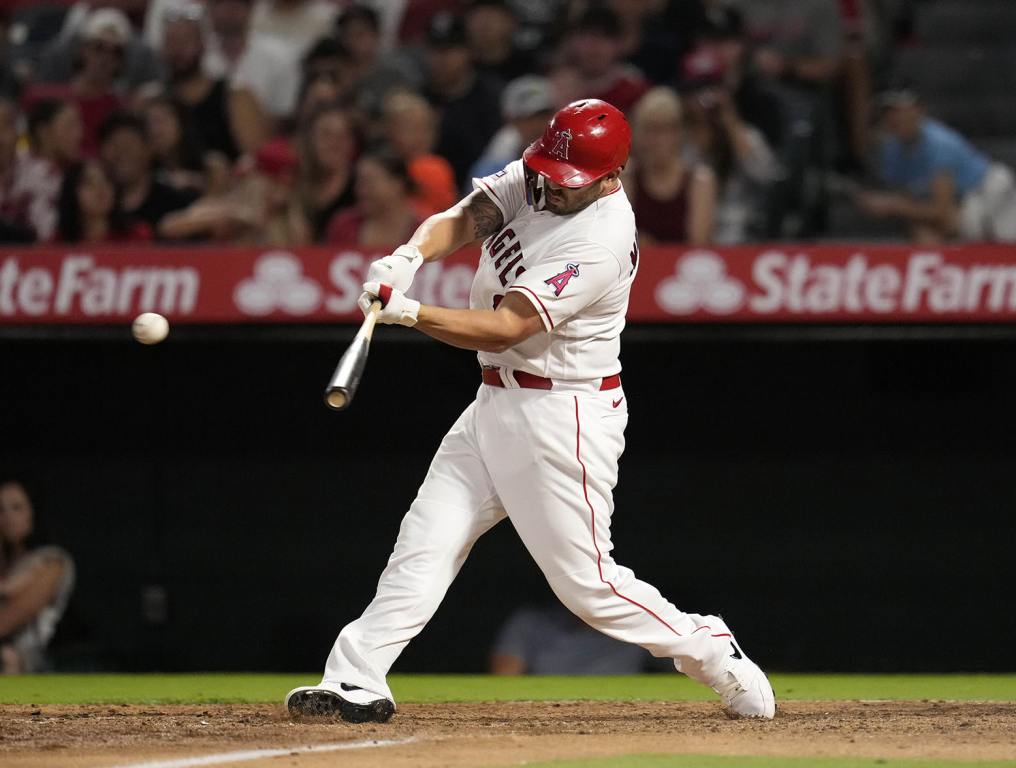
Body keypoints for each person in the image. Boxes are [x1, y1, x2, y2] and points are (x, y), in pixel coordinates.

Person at [285, 99, 775, 723]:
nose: (552, 187)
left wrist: (410, 312)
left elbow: (505, 327)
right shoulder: (543, 170)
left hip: (561, 414)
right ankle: (357, 678)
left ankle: (708, 648)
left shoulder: (600, 236)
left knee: (588, 586)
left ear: (610, 176)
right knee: (425, 541)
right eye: (550, 170)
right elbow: (468, 218)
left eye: (571, 180)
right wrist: (408, 256)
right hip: (494, 401)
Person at [858, 83, 1016, 244]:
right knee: (924, 233)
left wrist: (893, 205)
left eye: (901, 110)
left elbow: (941, 211)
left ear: (919, 110)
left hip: (989, 191)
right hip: (956, 200)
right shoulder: (892, 151)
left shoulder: (938, 144)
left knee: (988, 235)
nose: (896, 117)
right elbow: (909, 198)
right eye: (889, 112)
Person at [679, 48, 780, 244]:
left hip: (739, 233)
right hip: (686, 232)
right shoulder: (676, 138)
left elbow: (766, 176)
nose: (705, 99)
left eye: (711, 89)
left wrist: (730, 122)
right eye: (696, 90)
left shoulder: (745, 135)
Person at [162, 5, 269, 161]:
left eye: (185, 41)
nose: (178, 50)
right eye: (171, 42)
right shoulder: (152, 99)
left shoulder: (235, 96)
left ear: (203, 44)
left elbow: (259, 158)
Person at [22, 7, 127, 158]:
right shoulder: (41, 98)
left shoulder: (119, 109)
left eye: (116, 52)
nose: (106, 58)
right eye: (99, 48)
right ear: (83, 50)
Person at [623, 86, 716, 244]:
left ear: (679, 133)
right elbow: (619, 240)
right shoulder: (627, 178)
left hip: (685, 266)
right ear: (639, 134)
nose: (660, 140)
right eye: (652, 130)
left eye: (667, 130)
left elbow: (700, 243)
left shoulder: (699, 180)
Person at [0, 481, 75, 674]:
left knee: (7, 656)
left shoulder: (51, 560)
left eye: (17, 507)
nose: (7, 517)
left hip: (30, 663)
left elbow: (8, 620)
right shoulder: (9, 563)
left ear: (33, 512)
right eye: (1, 509)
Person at [423, 12, 503, 187]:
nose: (440, 60)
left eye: (449, 50)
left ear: (468, 52)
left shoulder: (489, 98)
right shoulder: (420, 97)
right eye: (435, 51)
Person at [98, 110, 198, 235]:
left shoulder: (176, 203)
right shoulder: (95, 205)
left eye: (129, 144)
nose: (121, 153)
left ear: (149, 149)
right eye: (114, 144)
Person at [492, 601, 658, 675]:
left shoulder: (638, 622)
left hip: (626, 705)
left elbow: (679, 661)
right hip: (544, 706)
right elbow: (504, 677)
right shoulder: (530, 621)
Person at [15, 99, 84, 242]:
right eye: (69, 127)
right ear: (44, 131)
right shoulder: (17, 171)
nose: (79, 135)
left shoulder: (76, 173)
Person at [561, 6, 649, 115]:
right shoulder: (556, 87)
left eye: (604, 37)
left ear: (619, 44)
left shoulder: (633, 87)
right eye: (586, 36)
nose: (594, 46)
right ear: (573, 42)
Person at [326, 147, 422, 246]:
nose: (361, 190)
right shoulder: (343, 226)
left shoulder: (426, 231)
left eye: (369, 182)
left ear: (398, 183)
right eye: (359, 182)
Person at [382, 90, 457, 216]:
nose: (420, 137)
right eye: (411, 128)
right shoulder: (379, 168)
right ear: (389, 131)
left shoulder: (435, 168)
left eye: (426, 128)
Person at [469, 74, 556, 181]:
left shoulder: (567, 151)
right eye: (528, 119)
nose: (537, 125)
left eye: (543, 116)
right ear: (512, 121)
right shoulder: (497, 159)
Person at [295, 102, 357, 241]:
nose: (335, 144)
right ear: (309, 140)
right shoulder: (291, 185)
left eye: (343, 137)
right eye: (326, 135)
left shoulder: (362, 191)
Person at [57, 158, 152, 242]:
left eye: (106, 180)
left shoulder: (136, 236)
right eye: (89, 183)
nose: (100, 188)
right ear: (72, 192)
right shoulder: (59, 242)